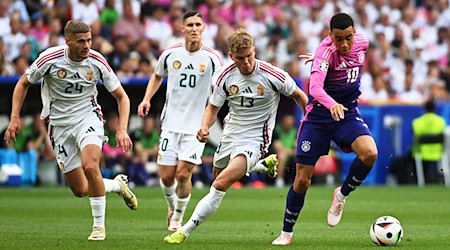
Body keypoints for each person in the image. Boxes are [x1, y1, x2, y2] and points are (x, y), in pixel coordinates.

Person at [163, 28, 308, 244]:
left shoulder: (272, 74)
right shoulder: (224, 76)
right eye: (241, 58)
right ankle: (261, 165)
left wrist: (309, 126)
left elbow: (299, 95)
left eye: (250, 56)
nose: (247, 62)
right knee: (218, 174)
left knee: (220, 184)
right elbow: (213, 108)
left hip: (255, 139)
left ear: (254, 51)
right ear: (232, 56)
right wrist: (204, 127)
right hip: (231, 133)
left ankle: (183, 231)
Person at [4, 20, 137, 241]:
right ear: (68, 41)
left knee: (90, 165)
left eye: (90, 40)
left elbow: (122, 97)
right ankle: (116, 184)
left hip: (88, 118)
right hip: (60, 125)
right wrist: (14, 117)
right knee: (80, 189)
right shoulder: (50, 59)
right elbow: (22, 84)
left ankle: (98, 227)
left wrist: (122, 129)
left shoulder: (97, 61)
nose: (87, 45)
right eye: (81, 41)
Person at [272, 13, 378, 245]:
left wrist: (326, 65)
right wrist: (322, 63)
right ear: (330, 35)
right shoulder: (325, 51)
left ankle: (341, 195)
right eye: (338, 39)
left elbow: (349, 64)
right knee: (302, 180)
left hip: (347, 113)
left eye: (348, 38)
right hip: (319, 116)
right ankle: (286, 233)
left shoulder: (363, 43)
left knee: (370, 153)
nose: (344, 44)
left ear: (355, 33)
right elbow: (316, 90)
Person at [137, 11, 224, 232]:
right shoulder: (170, 54)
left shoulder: (213, 58)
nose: (194, 28)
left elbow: (220, 91)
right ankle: (171, 206)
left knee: (183, 174)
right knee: (167, 177)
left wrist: (211, 122)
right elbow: (157, 75)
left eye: (198, 24)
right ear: (182, 28)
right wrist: (146, 99)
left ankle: (177, 216)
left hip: (196, 127)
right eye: (190, 25)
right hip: (170, 123)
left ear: (203, 28)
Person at [412, 100, 446, 184]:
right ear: (434, 108)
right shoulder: (441, 121)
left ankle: (416, 181)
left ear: (425, 108)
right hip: (438, 152)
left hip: (421, 152)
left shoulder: (417, 122)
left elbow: (416, 138)